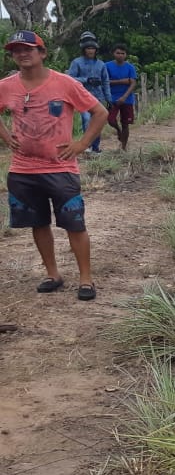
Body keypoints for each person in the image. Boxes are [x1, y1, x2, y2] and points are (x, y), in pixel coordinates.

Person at [0, 30, 108, 301]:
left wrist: (81, 144)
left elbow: (100, 113)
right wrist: (5, 136)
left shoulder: (65, 83)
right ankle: (53, 274)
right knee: (38, 223)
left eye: (28, 48)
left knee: (74, 224)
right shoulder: (6, 86)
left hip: (61, 168)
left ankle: (86, 279)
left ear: (42, 53)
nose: (22, 54)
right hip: (22, 169)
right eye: (16, 50)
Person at [66, 31, 111, 153]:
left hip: (98, 97)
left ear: (96, 49)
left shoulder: (101, 64)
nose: (90, 51)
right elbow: (69, 78)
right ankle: (88, 145)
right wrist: (86, 80)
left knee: (98, 122)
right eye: (88, 48)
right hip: (82, 97)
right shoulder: (76, 63)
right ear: (83, 49)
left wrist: (109, 99)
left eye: (92, 48)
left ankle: (95, 147)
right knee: (86, 120)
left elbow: (106, 82)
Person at [104, 43, 137, 150]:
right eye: (118, 53)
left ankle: (124, 147)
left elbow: (132, 83)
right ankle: (118, 131)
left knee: (126, 124)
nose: (120, 55)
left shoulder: (130, 67)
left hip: (127, 99)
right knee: (111, 120)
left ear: (126, 54)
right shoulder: (107, 66)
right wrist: (122, 81)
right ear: (113, 53)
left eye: (123, 53)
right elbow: (105, 82)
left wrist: (124, 97)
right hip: (112, 98)